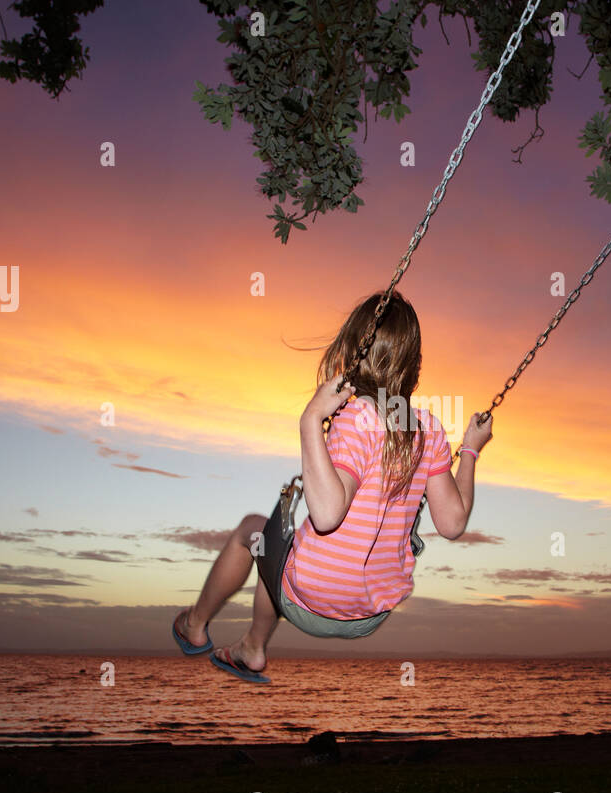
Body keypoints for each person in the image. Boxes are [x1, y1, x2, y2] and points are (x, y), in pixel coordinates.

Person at [172, 289, 492, 682]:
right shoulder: (428, 430)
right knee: (280, 544)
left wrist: (311, 420)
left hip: (309, 600)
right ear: (415, 363)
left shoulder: (356, 417)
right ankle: (250, 648)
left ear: (352, 348)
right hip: (371, 615)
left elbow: (325, 515)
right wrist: (471, 450)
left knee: (254, 532)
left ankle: (197, 626)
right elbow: (453, 523)